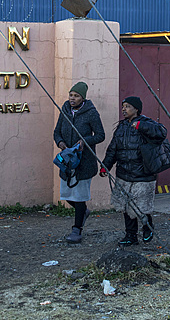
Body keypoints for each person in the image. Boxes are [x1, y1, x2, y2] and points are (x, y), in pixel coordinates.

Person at [100, 97, 167, 246]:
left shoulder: (147, 123)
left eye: (128, 106)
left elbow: (162, 132)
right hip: (124, 174)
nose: (124, 109)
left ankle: (148, 227)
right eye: (123, 106)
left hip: (143, 174)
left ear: (136, 109)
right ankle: (131, 236)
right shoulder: (121, 127)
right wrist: (106, 166)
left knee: (142, 206)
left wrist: (141, 126)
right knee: (126, 207)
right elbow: (113, 149)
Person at [53, 82, 106, 244]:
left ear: (83, 97)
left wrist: (84, 141)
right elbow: (56, 132)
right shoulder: (65, 110)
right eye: (71, 95)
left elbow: (100, 135)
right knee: (67, 195)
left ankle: (77, 230)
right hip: (67, 162)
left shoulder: (91, 113)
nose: (72, 98)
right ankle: (83, 212)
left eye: (76, 96)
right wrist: (61, 143)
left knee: (79, 197)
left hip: (84, 162)